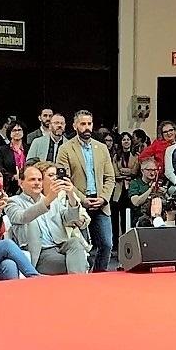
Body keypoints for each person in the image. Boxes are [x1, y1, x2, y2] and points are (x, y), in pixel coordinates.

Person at [54, 110, 116, 273]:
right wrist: (82, 199)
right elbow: (64, 179)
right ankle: (85, 276)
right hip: (78, 203)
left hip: (101, 203)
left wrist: (103, 198)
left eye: (89, 124)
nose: (87, 127)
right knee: (83, 246)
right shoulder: (65, 149)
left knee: (107, 244)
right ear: (75, 126)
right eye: (83, 124)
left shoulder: (102, 148)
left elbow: (110, 177)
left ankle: (99, 274)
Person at [5, 163, 90, 275]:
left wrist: (71, 195)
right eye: (32, 180)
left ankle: (76, 285)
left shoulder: (51, 200)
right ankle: (78, 286)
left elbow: (70, 219)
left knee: (75, 242)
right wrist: (47, 200)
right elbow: (22, 217)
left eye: (39, 180)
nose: (37, 183)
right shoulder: (13, 202)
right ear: (21, 183)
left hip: (60, 244)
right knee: (75, 263)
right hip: (40, 252)